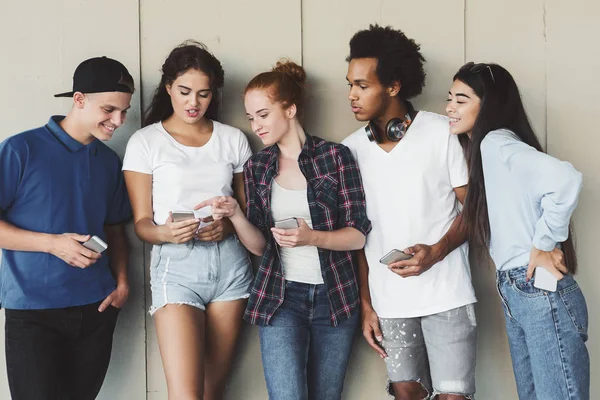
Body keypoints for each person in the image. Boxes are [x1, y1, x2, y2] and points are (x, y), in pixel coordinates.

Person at [196, 59, 371, 400]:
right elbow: (261, 247)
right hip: (280, 297)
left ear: (289, 109)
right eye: (250, 118)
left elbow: (357, 235)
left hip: (334, 296)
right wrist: (235, 214)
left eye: (263, 114)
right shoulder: (258, 167)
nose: (256, 125)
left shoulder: (336, 157)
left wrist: (313, 238)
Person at [341, 25, 477, 400]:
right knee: (406, 395)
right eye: (349, 84)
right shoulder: (348, 151)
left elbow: (476, 210)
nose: (352, 95)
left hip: (447, 294)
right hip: (389, 302)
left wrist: (437, 250)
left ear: (393, 86)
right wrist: (367, 305)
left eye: (362, 86)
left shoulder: (442, 133)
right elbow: (356, 236)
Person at [447, 61, 589, 400]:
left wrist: (543, 243)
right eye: (449, 97)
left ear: (488, 105)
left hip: (538, 292)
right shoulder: (485, 150)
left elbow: (566, 179)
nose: (450, 107)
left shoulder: (495, 144)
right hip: (519, 290)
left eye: (462, 99)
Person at [122, 41, 253, 400]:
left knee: (212, 392)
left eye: (203, 94)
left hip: (231, 266)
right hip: (176, 269)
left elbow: (245, 212)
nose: (193, 102)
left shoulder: (233, 140)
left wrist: (224, 226)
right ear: (168, 88)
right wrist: (165, 232)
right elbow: (141, 224)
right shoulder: (145, 142)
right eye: (184, 92)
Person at [0, 56, 133, 400]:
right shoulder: (20, 149)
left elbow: (116, 227)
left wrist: (121, 283)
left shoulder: (108, 160)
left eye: (124, 111)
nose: (117, 121)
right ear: (78, 99)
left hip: (97, 309)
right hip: (33, 314)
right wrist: (52, 244)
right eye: (109, 109)